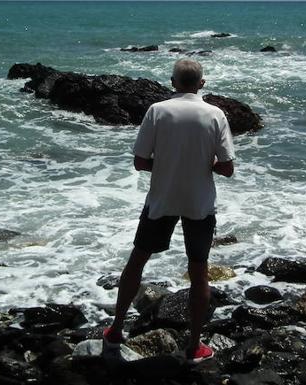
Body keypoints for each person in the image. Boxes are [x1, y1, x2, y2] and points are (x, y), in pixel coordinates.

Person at [102, 58, 235, 364]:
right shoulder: (215, 114)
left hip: (161, 199)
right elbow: (227, 168)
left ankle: (116, 330)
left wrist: (165, 168)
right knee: (199, 272)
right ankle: (194, 345)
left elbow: (139, 162)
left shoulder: (157, 111)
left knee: (137, 262)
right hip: (199, 204)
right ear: (201, 83)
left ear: (173, 82)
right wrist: (202, 165)